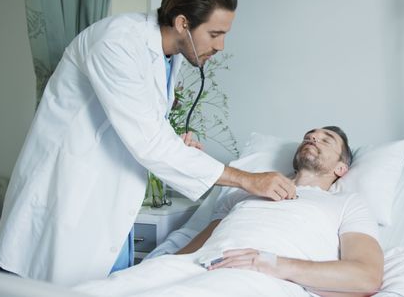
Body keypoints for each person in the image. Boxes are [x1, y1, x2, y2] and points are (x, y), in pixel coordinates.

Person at [0, 0, 296, 286]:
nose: (221, 45)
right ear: (182, 24)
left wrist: (174, 142)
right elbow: (149, 142)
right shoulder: (116, 43)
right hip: (69, 192)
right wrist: (248, 180)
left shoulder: (168, 54)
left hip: (109, 200)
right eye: (215, 33)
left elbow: (140, 125)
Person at [74, 126, 384, 297]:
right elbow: (205, 240)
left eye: (325, 139)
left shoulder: (346, 204)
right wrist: (164, 265)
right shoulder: (247, 191)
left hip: (258, 277)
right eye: (309, 136)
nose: (313, 137)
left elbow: (366, 276)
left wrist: (272, 263)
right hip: (200, 264)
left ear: (342, 168)